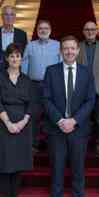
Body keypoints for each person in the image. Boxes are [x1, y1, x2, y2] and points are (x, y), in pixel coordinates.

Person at [43, 35, 96, 197]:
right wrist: (60, 120)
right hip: (56, 129)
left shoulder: (86, 72)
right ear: (60, 51)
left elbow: (90, 100)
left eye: (72, 48)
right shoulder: (51, 71)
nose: (69, 51)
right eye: (66, 48)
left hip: (78, 129)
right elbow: (46, 99)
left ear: (78, 50)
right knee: (56, 169)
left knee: (78, 170)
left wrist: (74, 120)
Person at [0, 43, 33, 197]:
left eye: (18, 56)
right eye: (12, 56)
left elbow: (33, 104)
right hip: (3, 124)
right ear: (7, 58)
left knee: (17, 165)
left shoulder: (27, 80)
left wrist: (23, 122)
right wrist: (8, 123)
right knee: (4, 164)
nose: (15, 59)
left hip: (23, 126)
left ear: (21, 59)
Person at [21, 20, 61, 152]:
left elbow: (61, 65)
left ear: (50, 30)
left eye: (46, 28)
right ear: (37, 30)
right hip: (34, 85)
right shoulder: (30, 46)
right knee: (33, 115)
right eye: (40, 28)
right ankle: (33, 144)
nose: (43, 30)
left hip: (52, 86)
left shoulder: (57, 45)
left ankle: (53, 143)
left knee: (52, 114)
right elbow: (25, 66)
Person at [77, 21, 99, 157]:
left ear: (97, 31)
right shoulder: (77, 47)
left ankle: (97, 144)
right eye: (87, 29)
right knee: (82, 119)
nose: (90, 32)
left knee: (98, 120)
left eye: (93, 29)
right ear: (83, 31)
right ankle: (82, 144)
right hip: (81, 91)